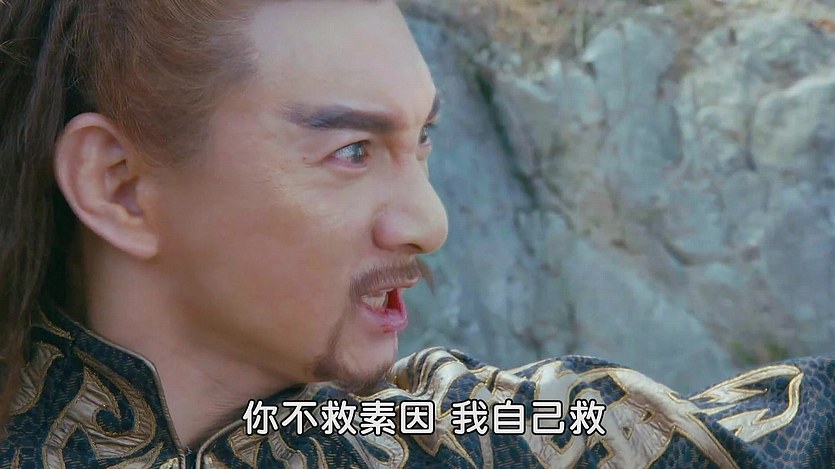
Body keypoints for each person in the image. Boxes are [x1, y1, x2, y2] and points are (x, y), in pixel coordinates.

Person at [0, 0, 832, 467]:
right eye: (352, 151)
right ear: (119, 186)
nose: (430, 223)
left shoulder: (420, 436)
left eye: (423, 138)